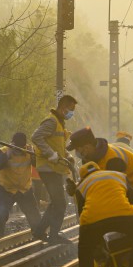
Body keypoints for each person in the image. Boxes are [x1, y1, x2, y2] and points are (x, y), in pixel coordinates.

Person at [73, 162, 133, 267]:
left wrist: (94, 240)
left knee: (85, 247)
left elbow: (81, 212)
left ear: (83, 176)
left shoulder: (81, 186)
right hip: (124, 214)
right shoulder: (118, 176)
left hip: (93, 218)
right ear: (99, 169)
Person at [31, 94, 77, 243]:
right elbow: (36, 137)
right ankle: (53, 235)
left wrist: (68, 156)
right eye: (71, 110)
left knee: (57, 202)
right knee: (60, 203)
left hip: (54, 168)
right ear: (63, 108)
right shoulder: (51, 121)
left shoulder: (59, 123)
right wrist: (50, 154)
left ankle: (40, 231)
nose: (72, 113)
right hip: (48, 167)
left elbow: (59, 146)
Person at [67, 127, 133, 196]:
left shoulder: (113, 160)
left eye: (77, 149)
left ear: (86, 148)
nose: (76, 152)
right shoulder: (88, 157)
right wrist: (77, 188)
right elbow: (89, 179)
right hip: (118, 181)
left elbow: (115, 187)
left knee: (118, 206)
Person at [0, 132, 43, 239]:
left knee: (33, 213)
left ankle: (39, 233)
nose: (19, 151)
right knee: (1, 212)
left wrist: (34, 156)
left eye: (21, 148)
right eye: (17, 148)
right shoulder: (4, 151)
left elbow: (38, 165)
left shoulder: (30, 150)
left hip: (24, 188)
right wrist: (7, 155)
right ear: (12, 144)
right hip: (6, 189)